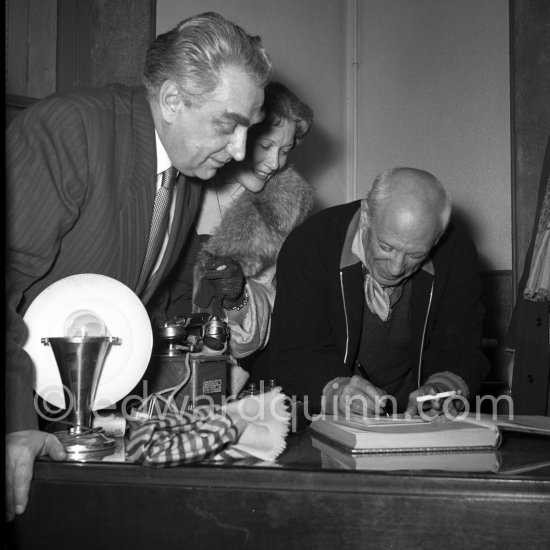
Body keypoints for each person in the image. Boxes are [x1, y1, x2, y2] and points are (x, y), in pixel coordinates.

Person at [5, 11, 272, 521]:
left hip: (73, 427)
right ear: (172, 100)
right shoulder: (71, 130)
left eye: (249, 128)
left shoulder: (187, 173)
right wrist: (14, 421)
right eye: (227, 124)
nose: (240, 150)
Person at [267, 167, 490, 422]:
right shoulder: (310, 244)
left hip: (413, 419)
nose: (396, 267)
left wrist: (443, 388)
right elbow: (294, 351)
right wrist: (335, 391)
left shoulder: (455, 251)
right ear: (365, 218)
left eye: (416, 255)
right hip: (320, 415)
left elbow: (462, 344)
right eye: (386, 247)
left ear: (437, 239)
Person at [151, 81, 314, 396]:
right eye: (266, 146)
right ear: (237, 134)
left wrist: (238, 295)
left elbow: (262, 329)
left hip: (220, 385)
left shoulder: (281, 213)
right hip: (146, 367)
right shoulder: (173, 183)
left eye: (285, 150)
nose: (275, 163)